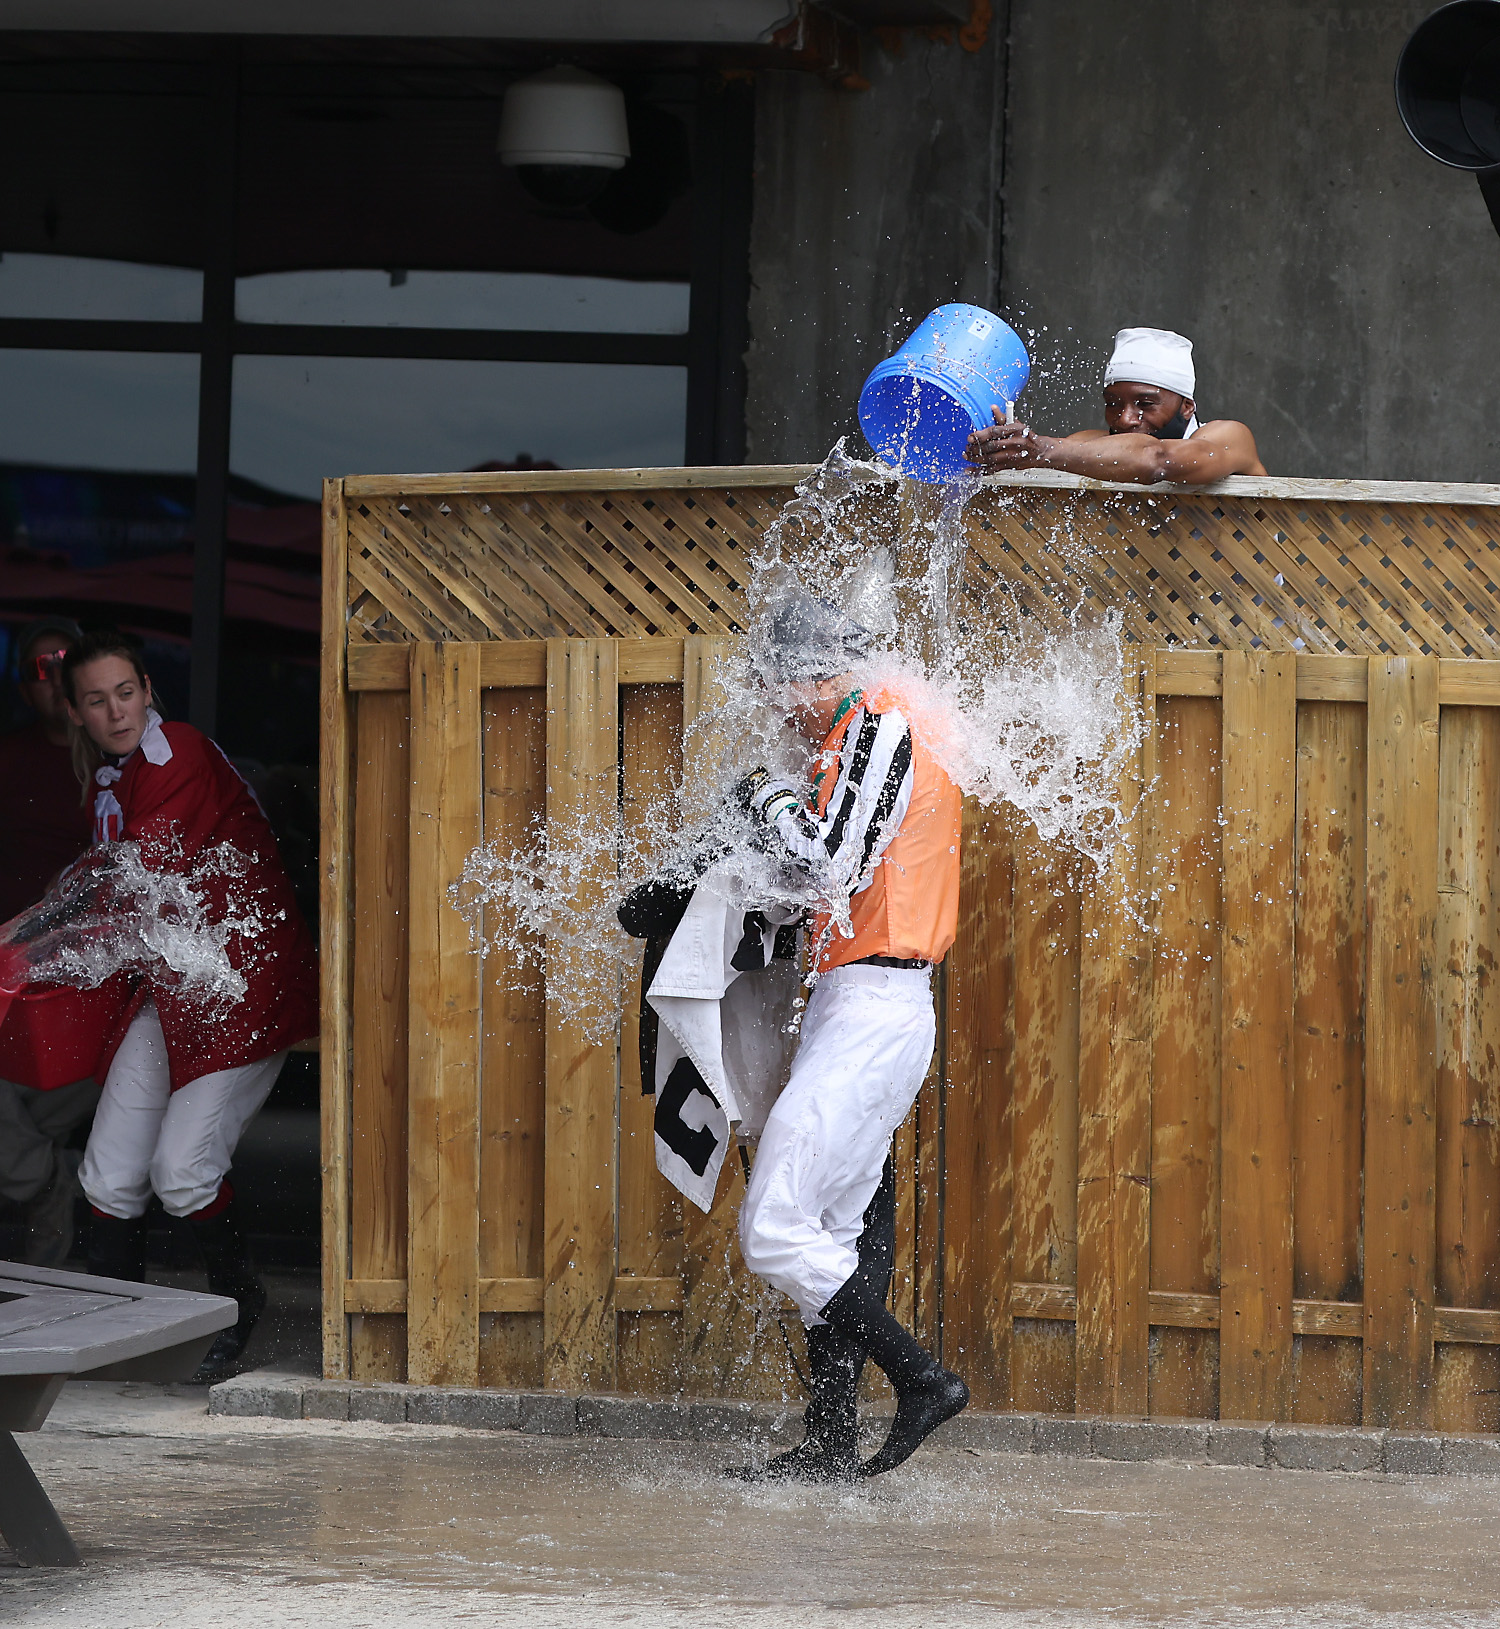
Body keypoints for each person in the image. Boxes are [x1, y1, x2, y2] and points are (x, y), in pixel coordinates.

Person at [730, 591, 967, 1482]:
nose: (768, 706)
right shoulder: (855, 734)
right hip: (862, 1003)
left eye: (772, 685)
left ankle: (920, 1380)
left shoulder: (875, 724)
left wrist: (768, 796)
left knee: (774, 1227)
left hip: (876, 1005)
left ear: (811, 674)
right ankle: (830, 1438)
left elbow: (828, 858)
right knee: (829, 1224)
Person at [59, 629, 318, 1381]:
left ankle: (241, 1305)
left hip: (243, 984)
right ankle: (123, 1334)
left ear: (147, 687)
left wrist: (32, 930)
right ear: (74, 712)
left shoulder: (174, 747)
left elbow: (132, 875)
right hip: (171, 986)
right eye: (97, 700)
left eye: (126, 692)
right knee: (108, 1177)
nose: (117, 711)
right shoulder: (110, 777)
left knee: (182, 1171)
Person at [0, 617, 100, 1265]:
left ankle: (35, 1178)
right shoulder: (7, 759)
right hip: (6, 973)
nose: (57, 674)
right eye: (42, 666)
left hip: (86, 977)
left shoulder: (119, 764)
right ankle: (41, 1181)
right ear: (21, 685)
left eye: (68, 660)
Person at [965, 326, 1266, 485]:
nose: (1125, 419)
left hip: (1258, 598)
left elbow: (1158, 460)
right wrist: (1000, 449)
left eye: (1145, 404)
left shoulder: (1228, 437)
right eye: (1113, 404)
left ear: (1187, 407)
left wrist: (1041, 450)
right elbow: (1034, 462)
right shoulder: (1093, 444)